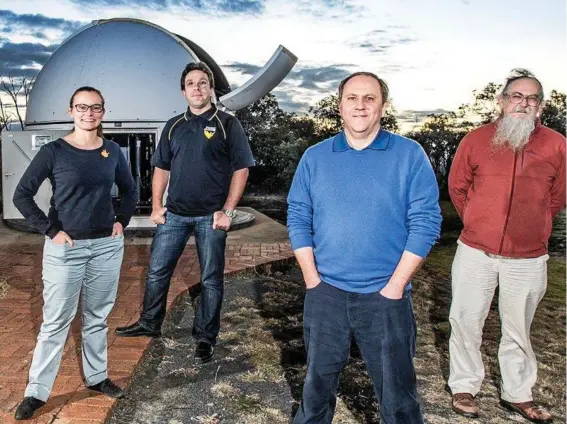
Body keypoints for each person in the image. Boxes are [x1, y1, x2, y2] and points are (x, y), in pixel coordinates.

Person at [287, 71, 442, 424]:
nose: (360, 105)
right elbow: (298, 216)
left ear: (382, 107)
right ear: (339, 106)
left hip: (386, 297)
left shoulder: (408, 155)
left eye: (369, 98)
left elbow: (426, 223)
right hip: (326, 293)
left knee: (398, 396)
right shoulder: (315, 157)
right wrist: (312, 278)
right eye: (352, 98)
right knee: (315, 392)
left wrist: (395, 286)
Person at [115, 62, 254, 364]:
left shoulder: (227, 124)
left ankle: (205, 337)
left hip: (211, 216)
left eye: (203, 83)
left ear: (211, 89)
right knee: (156, 272)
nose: (197, 88)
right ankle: (150, 323)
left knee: (211, 279)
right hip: (174, 215)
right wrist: (155, 206)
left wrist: (227, 211)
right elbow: (161, 168)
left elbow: (241, 169)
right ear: (183, 91)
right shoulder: (173, 125)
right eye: (191, 83)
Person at [12, 86, 137, 420]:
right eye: (82, 107)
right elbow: (22, 195)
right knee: (55, 323)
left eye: (95, 107)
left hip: (106, 248)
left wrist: (121, 221)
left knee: (97, 317)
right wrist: (51, 231)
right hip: (65, 249)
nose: (89, 113)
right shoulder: (54, 151)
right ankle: (36, 392)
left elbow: (129, 190)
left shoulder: (112, 150)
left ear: (103, 112)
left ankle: (97, 377)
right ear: (71, 111)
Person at [447, 69, 565, 424]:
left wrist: (535, 224)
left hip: (528, 257)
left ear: (540, 106)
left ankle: (518, 393)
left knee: (518, 327)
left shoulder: (557, 144)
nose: (523, 103)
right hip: (475, 252)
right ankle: (465, 386)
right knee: (466, 320)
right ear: (501, 101)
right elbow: (458, 187)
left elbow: (558, 196)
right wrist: (479, 221)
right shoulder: (476, 139)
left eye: (531, 98)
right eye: (516, 96)